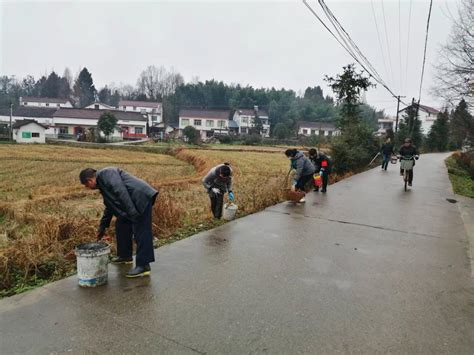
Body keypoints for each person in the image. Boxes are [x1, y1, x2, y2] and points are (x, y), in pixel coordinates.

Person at [79, 167, 158, 278]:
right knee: (121, 224)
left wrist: (132, 213)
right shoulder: (103, 184)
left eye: (87, 186)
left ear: (89, 181)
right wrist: (102, 227)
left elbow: (121, 191)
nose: (88, 188)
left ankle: (143, 266)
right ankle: (125, 256)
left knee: (141, 231)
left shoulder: (107, 173)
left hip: (140, 198)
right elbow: (109, 206)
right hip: (132, 202)